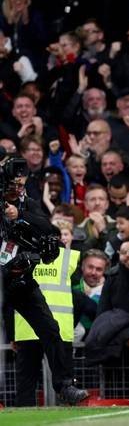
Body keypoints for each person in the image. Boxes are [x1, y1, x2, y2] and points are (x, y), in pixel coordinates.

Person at [2, 171, 88, 405]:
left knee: (51, 328)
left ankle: (65, 386)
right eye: (14, 186)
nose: (19, 190)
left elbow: (48, 230)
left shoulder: (26, 205)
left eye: (21, 186)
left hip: (18, 277)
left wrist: (19, 214)